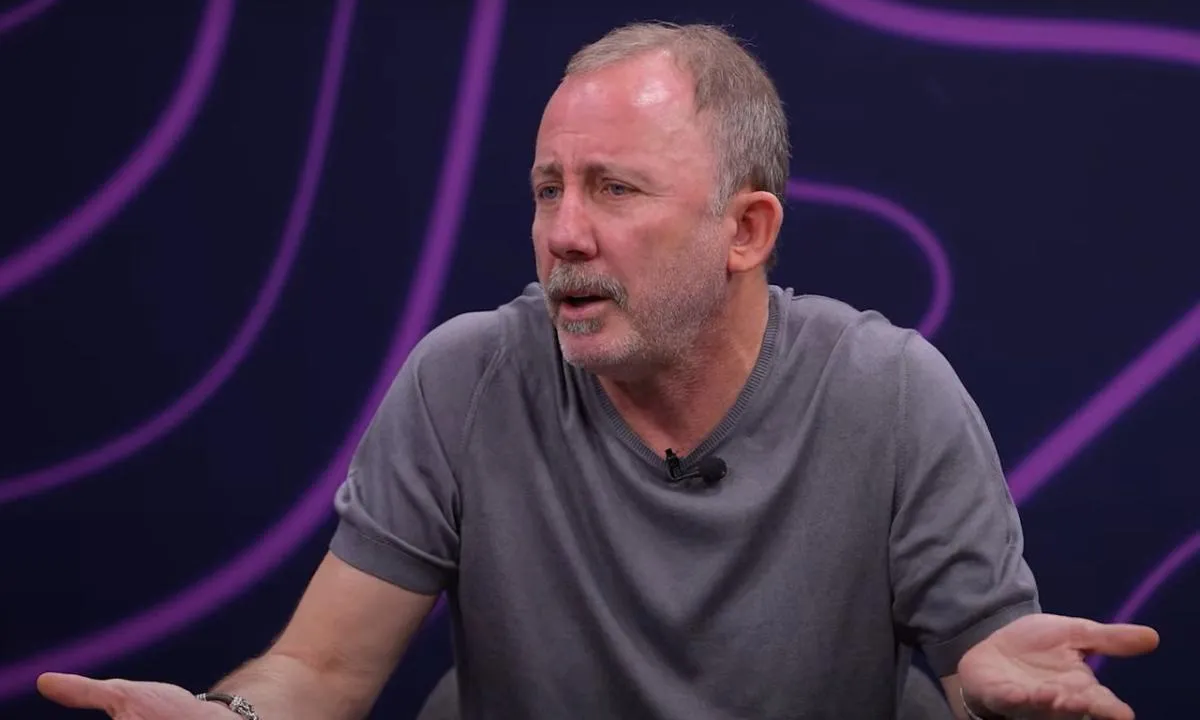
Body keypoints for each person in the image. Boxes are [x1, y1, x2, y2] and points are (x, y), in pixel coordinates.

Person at [37, 21, 1158, 720]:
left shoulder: (891, 391)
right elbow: (323, 673)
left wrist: (990, 688)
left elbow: (984, 668)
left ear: (747, 230)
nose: (563, 233)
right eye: (548, 189)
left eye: (614, 190)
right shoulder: (465, 378)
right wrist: (232, 719)